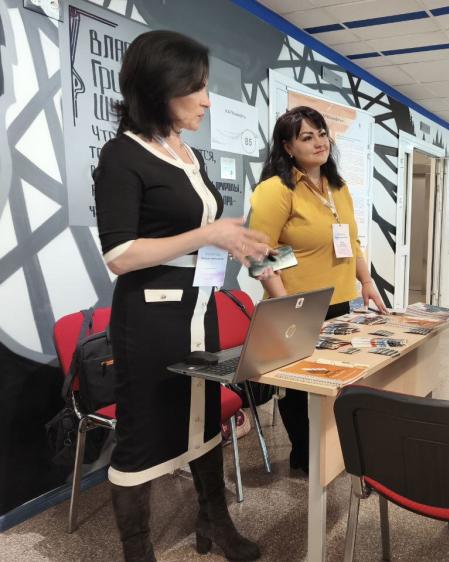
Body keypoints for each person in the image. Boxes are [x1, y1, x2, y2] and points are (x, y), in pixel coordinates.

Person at [94, 30, 271, 562]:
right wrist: (207, 234)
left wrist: (237, 244)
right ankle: (137, 550)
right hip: (151, 321)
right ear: (159, 87)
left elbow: (197, 235)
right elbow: (120, 254)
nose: (207, 101)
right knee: (142, 434)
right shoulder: (122, 155)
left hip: (199, 310)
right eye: (196, 88)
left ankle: (214, 522)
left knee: (205, 418)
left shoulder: (185, 153)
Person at [249, 106, 386, 473]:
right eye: (307, 137)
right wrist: (286, 306)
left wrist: (367, 281)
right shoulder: (276, 190)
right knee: (298, 389)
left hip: (339, 302)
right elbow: (260, 254)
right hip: (295, 306)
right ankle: (306, 456)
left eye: (322, 134)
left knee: (332, 382)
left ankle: (328, 451)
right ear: (287, 147)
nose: (319, 142)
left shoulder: (338, 188)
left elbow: (352, 242)